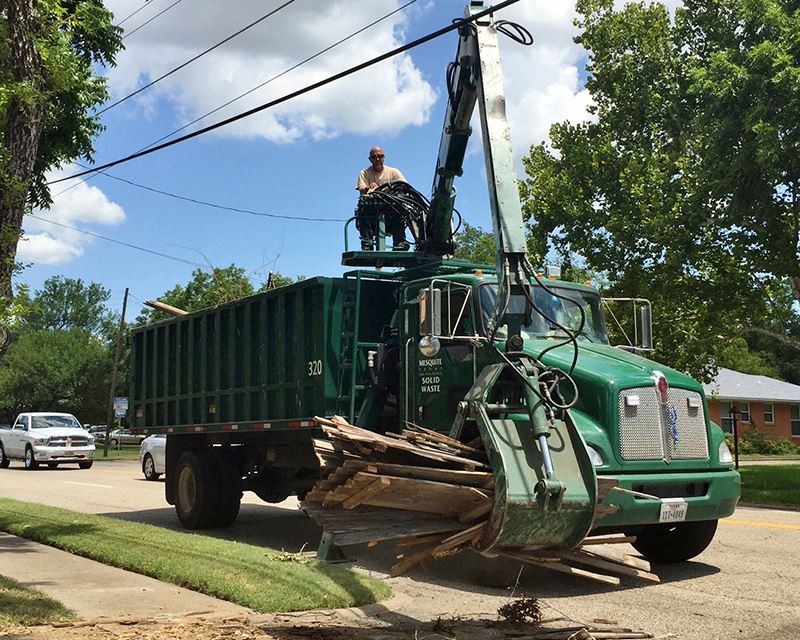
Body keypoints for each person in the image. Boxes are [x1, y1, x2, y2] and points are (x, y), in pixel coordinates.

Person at [355, 146, 409, 250]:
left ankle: (400, 242)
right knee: (363, 212)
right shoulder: (365, 173)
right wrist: (368, 188)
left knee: (400, 211)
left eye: (380, 156)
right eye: (375, 157)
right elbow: (362, 189)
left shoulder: (393, 172)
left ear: (384, 157)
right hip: (372, 215)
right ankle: (367, 244)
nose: (378, 159)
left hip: (391, 214)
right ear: (370, 159)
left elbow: (404, 186)